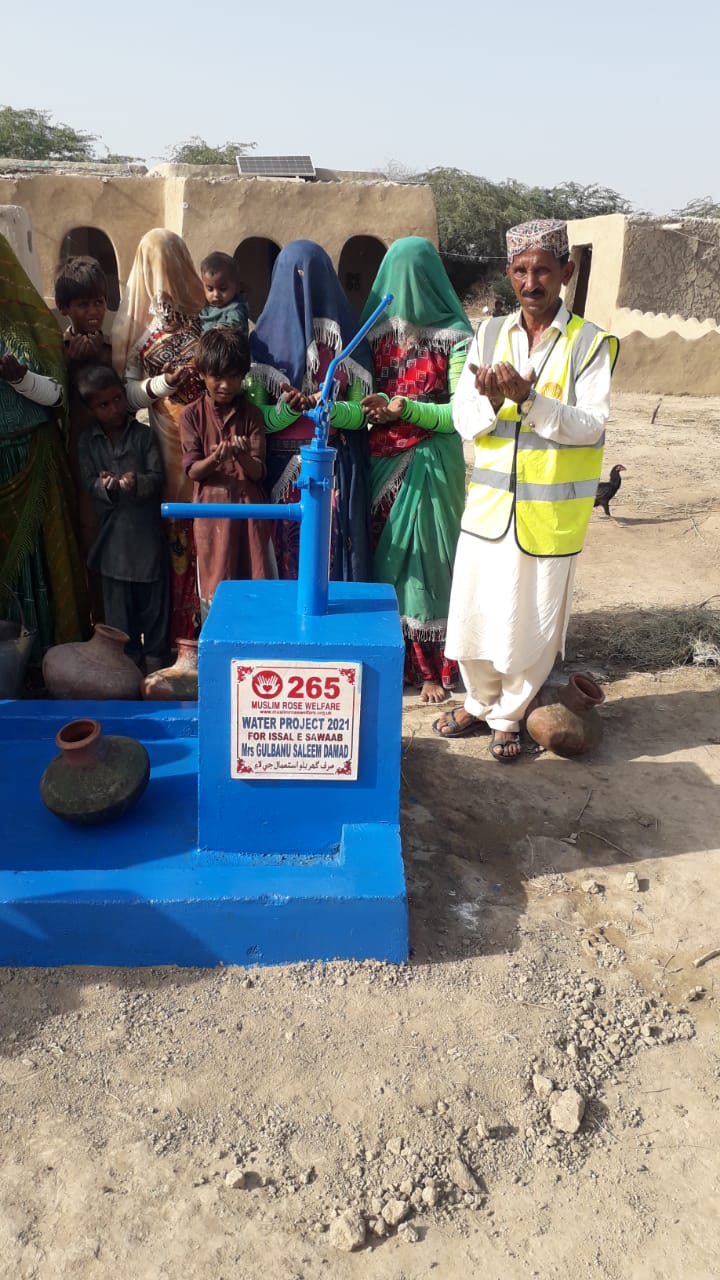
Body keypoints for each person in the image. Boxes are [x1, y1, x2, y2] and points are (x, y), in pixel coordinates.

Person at [434, 219, 619, 761]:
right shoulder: (488, 336)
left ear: (566, 272)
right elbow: (463, 419)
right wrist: (493, 401)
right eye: (520, 270)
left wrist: (531, 401)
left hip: (549, 516)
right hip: (489, 508)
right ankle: (476, 700)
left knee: (531, 625)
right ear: (509, 275)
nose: (531, 281)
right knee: (475, 611)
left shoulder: (589, 344)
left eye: (542, 269)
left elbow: (592, 425)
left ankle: (510, 715)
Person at [359, 237, 472, 704]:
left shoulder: (457, 337)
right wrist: (370, 410)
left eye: (413, 278)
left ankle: (431, 670)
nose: (405, 291)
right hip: (380, 463)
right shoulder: (370, 339)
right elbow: (356, 404)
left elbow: (460, 415)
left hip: (432, 462)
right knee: (389, 563)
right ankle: (393, 662)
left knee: (429, 568)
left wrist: (407, 410)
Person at [246, 240, 373, 582]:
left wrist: (327, 406)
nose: (304, 285)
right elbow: (257, 419)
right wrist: (289, 411)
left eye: (312, 275)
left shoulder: (350, 341)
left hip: (333, 469)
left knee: (330, 559)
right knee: (282, 559)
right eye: (294, 275)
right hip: (280, 472)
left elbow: (362, 414)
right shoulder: (261, 345)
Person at [112, 228, 206, 640]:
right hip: (167, 445)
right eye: (157, 264)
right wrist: (163, 384)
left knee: (210, 526)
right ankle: (177, 635)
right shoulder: (138, 332)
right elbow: (128, 396)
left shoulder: (209, 316)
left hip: (211, 436)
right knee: (177, 538)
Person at [0, 234, 88, 656]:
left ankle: (46, 657)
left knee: (42, 565)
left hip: (33, 460)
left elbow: (57, 397)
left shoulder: (27, 326)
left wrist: (20, 377)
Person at [77, 365, 169, 669]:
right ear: (91, 409)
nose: (114, 409)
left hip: (145, 536)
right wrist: (105, 486)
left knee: (153, 607)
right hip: (112, 540)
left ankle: (155, 663)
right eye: (103, 405)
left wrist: (137, 481)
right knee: (118, 612)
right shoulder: (88, 442)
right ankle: (126, 668)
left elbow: (157, 477)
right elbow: (87, 481)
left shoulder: (143, 436)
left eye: (117, 399)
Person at [180, 329, 272, 620]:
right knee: (214, 586)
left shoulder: (252, 415)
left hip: (249, 513)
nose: (225, 385)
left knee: (255, 583)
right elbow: (194, 470)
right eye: (217, 377)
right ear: (203, 374)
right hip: (212, 514)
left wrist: (241, 455)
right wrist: (216, 458)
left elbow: (257, 472)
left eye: (233, 377)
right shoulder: (191, 415)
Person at [55, 254, 113, 622]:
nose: (92, 311)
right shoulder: (58, 351)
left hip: (119, 458)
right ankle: (94, 625)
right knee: (87, 540)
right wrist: (74, 364)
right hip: (79, 464)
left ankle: (114, 625)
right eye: (82, 304)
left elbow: (123, 395)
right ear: (64, 308)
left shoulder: (114, 347)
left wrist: (102, 364)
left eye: (99, 302)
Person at [199, 252, 249, 335]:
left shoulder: (236, 307)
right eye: (210, 289)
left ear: (237, 287)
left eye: (222, 289)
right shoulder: (208, 305)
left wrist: (224, 328)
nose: (216, 294)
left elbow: (235, 322)